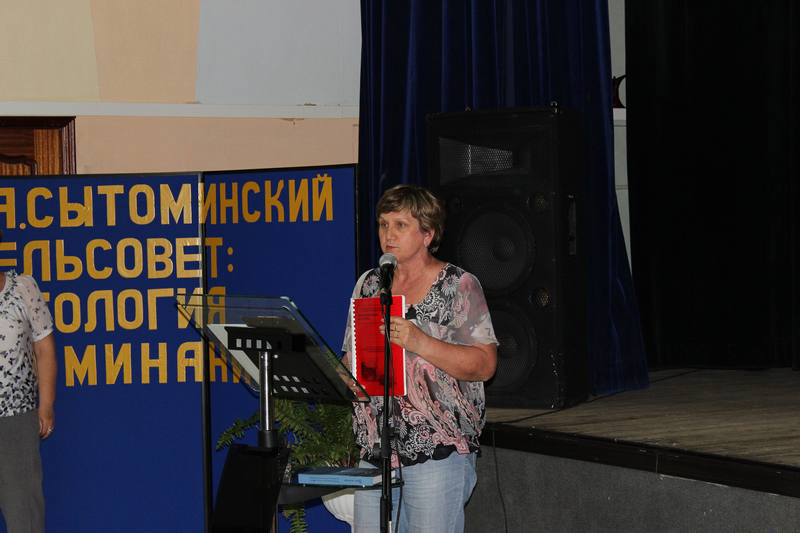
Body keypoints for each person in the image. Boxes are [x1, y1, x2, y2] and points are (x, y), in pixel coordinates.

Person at [343, 184, 498, 533]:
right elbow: (352, 356)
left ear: (428, 234)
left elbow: (485, 365)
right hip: (377, 447)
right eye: (383, 224)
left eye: (401, 225)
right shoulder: (369, 285)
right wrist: (343, 376)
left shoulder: (458, 285)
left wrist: (420, 342)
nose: (388, 234)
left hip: (436, 447)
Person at [0, 241, 57, 533]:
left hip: (16, 420)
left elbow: (44, 350)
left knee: (25, 518)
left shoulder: (23, 288)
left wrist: (45, 405)